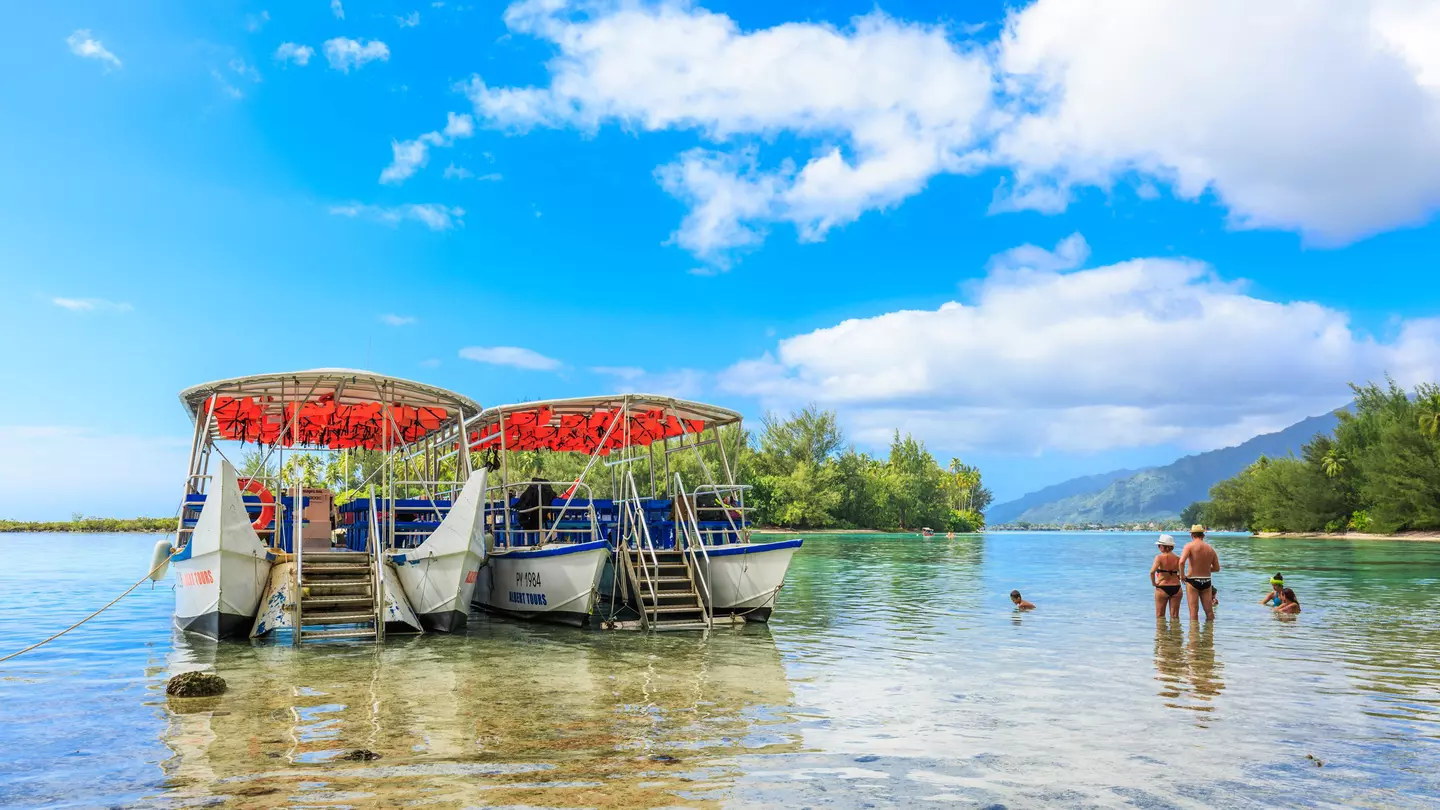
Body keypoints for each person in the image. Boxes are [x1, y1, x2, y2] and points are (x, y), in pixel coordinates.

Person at [1178, 524, 1221, 621]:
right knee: (1209, 612)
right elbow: (1217, 568)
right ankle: (1209, 634)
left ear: (1192, 535)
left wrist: (1182, 576)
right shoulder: (1210, 549)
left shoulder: (1189, 546)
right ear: (1203, 535)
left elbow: (1181, 562)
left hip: (1193, 580)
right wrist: (1204, 568)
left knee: (1194, 612)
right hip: (1206, 581)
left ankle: (1194, 635)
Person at [1150, 535, 1183, 619]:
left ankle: (1162, 632)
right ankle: (1175, 631)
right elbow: (1181, 575)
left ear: (1163, 546)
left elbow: (1152, 572)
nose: (1158, 547)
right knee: (1175, 617)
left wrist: (1154, 583)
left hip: (1162, 587)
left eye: (1159, 545)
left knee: (1160, 616)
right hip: (1177, 588)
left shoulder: (1159, 557)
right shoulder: (1178, 559)